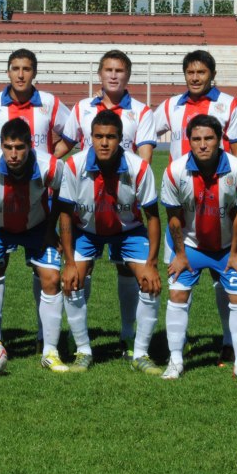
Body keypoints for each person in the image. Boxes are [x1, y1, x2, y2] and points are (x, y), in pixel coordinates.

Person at [54, 49, 158, 360]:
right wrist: (41, 164)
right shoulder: (83, 108)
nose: (113, 75)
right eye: (108, 70)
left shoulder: (141, 112)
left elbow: (144, 158)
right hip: (88, 208)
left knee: (135, 275)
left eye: (120, 70)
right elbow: (66, 145)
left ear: (128, 75)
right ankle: (81, 344)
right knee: (74, 277)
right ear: (99, 74)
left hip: (124, 207)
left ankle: (132, 341)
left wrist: (131, 186)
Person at [154, 49, 237, 364]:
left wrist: (231, 190)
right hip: (183, 203)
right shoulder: (170, 106)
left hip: (220, 196)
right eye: (190, 73)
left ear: (212, 74)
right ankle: (178, 350)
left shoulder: (230, 105)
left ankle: (228, 341)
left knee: (224, 278)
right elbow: (144, 134)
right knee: (181, 278)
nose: (195, 78)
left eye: (201, 72)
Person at [0, 118, 69, 370]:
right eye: (8, 147)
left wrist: (51, 229)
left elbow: (64, 191)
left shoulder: (49, 165)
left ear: (30, 145)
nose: (14, 154)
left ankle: (50, 352)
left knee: (52, 278)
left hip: (37, 227)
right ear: (1, 146)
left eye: (19, 147)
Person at [0, 48, 68, 347]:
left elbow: (70, 133)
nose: (20, 74)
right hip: (1, 197)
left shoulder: (50, 103)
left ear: (35, 72)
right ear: (8, 71)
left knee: (42, 267)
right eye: (15, 68)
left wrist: (49, 157)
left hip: (37, 199)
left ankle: (44, 334)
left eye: (26, 68)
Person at [160, 114, 237, 383]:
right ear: (189, 142)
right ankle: (175, 360)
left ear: (220, 141)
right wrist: (179, 255)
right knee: (178, 296)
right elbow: (174, 216)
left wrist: (235, 254)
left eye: (209, 138)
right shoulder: (175, 171)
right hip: (188, 245)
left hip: (227, 247)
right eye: (197, 139)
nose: (203, 144)